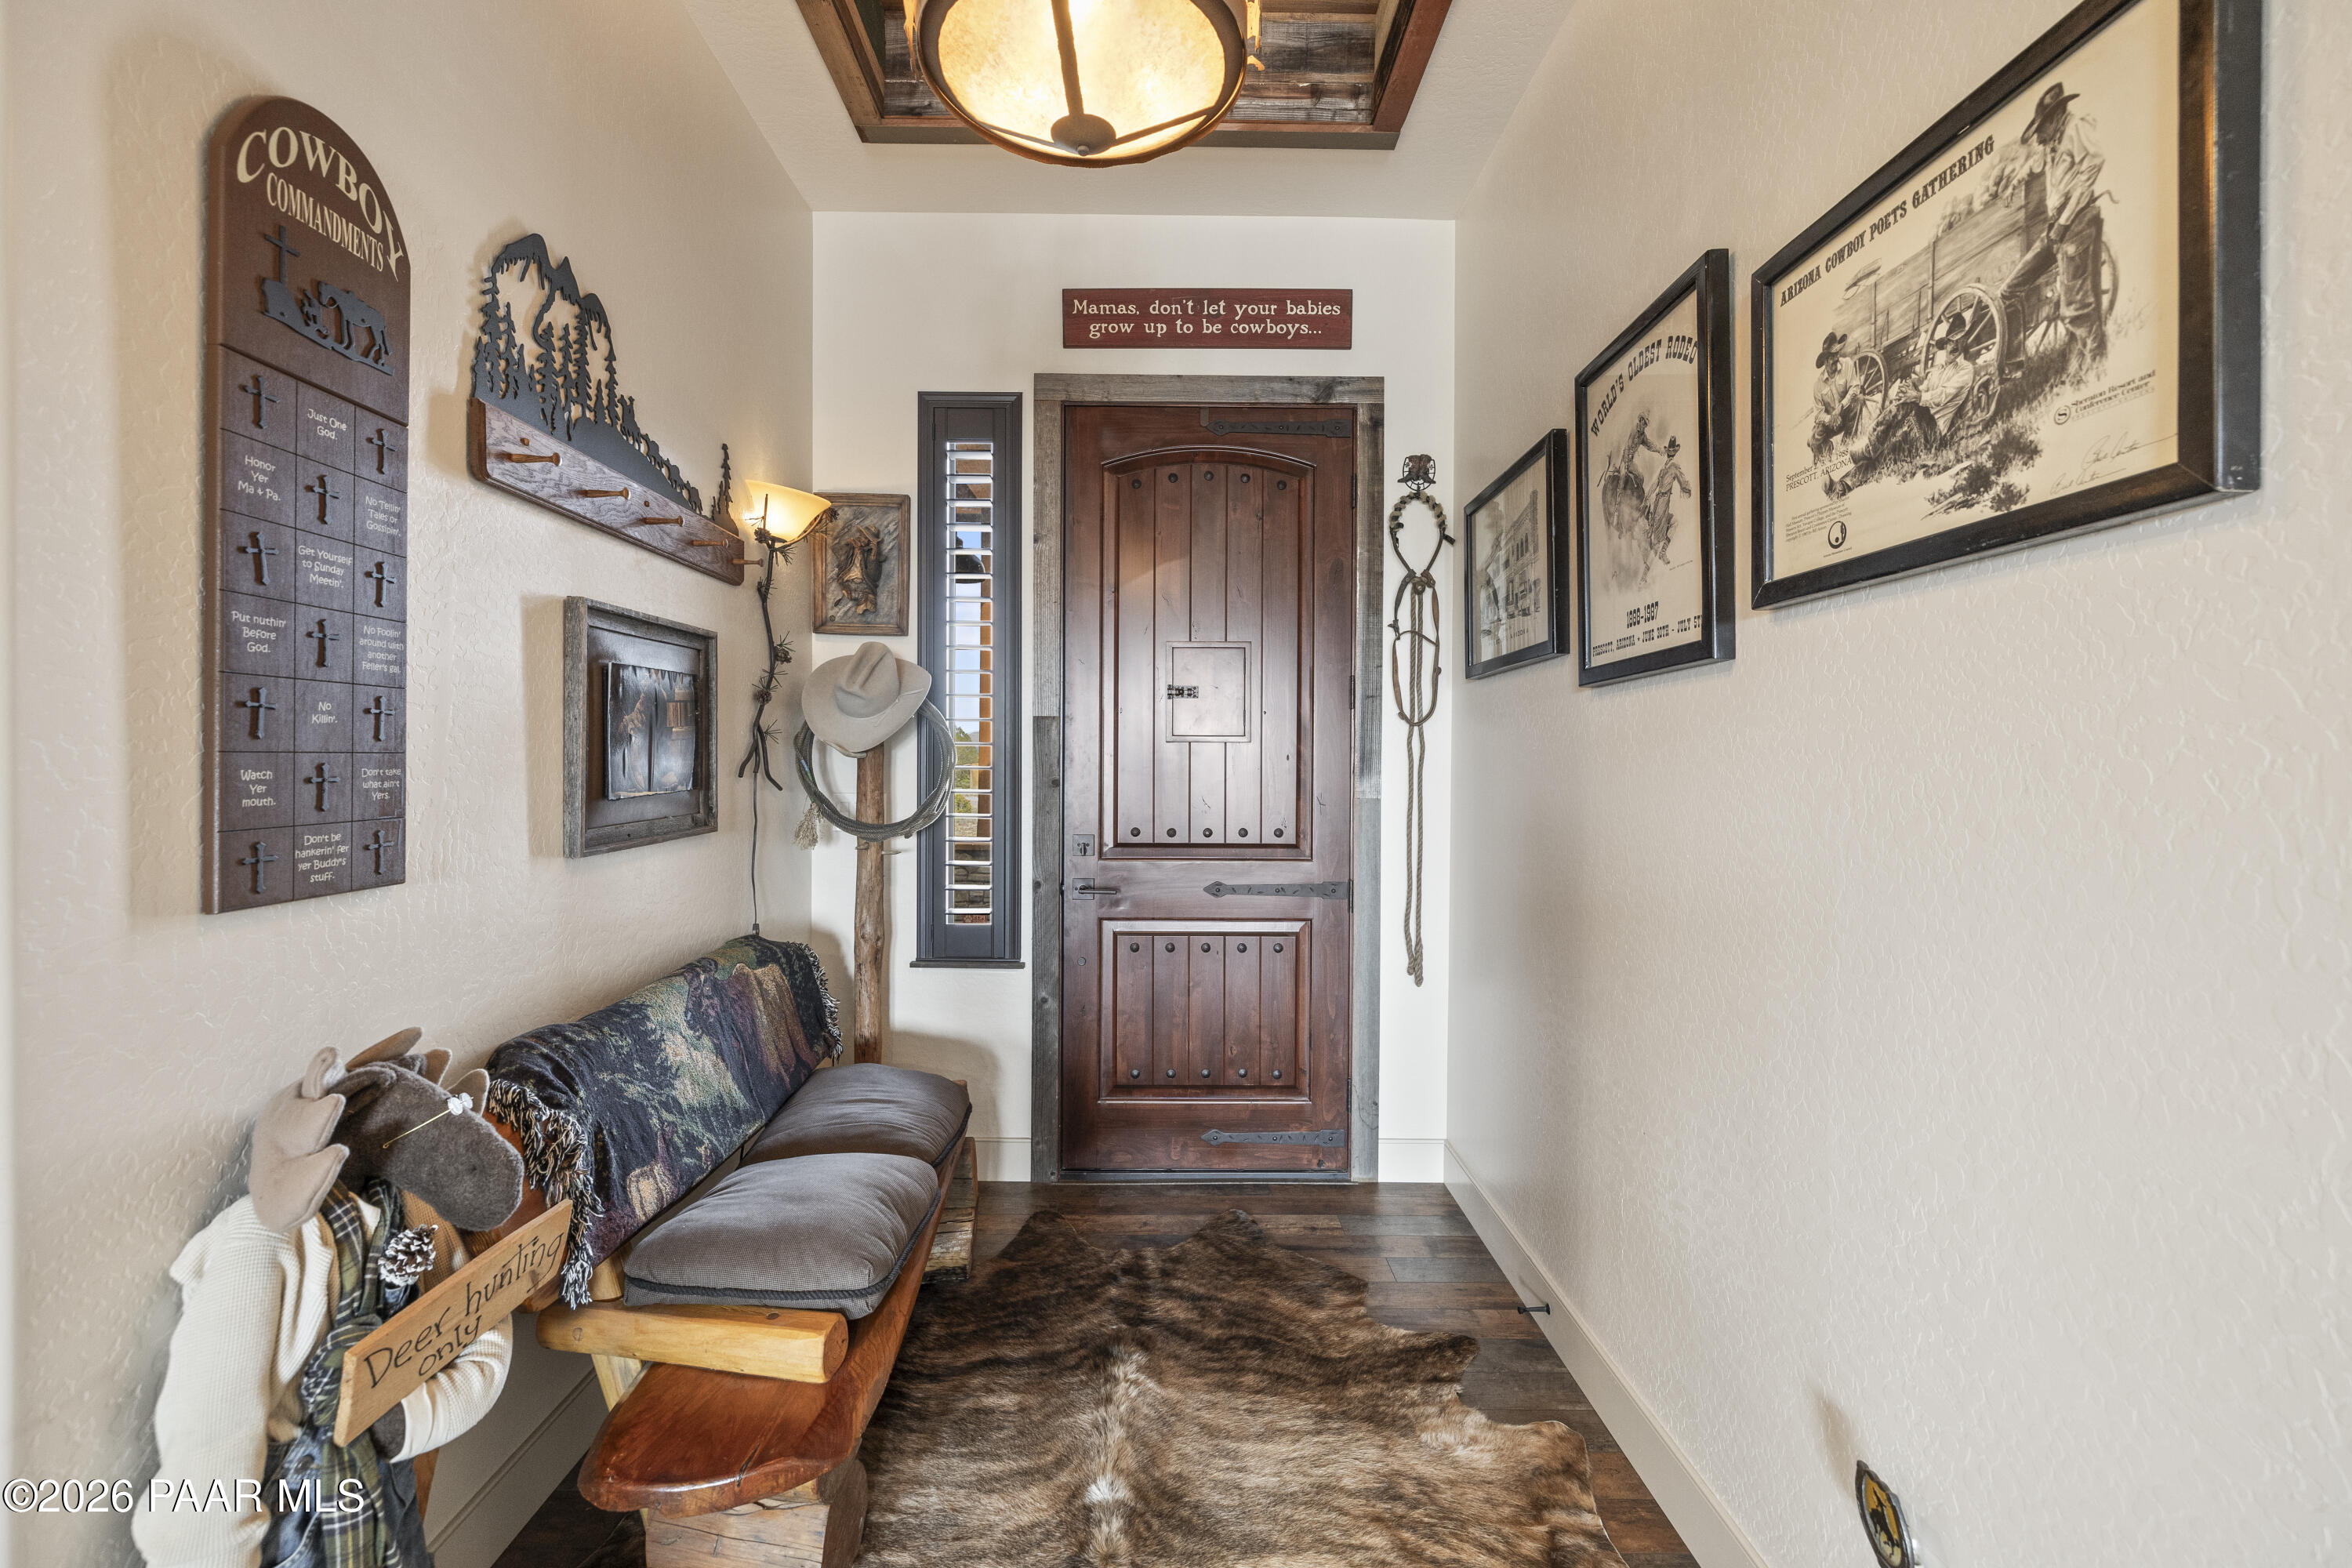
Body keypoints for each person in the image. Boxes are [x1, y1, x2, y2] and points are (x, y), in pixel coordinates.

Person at [1998, 82, 2107, 374]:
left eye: (2040, 131)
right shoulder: (2051, 144)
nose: (2039, 139)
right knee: (2009, 290)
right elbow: (2033, 165)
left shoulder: (2075, 130)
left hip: (2077, 221)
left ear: (2054, 118)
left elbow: (2093, 167)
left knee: (2076, 307)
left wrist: (2065, 221)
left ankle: (2097, 368)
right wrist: (2013, 184)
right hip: (2056, 226)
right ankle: (2014, 363)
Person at [1809, 333, 1863, 463]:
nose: (1836, 358)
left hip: (1845, 414)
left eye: (1837, 354)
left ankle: (1847, 446)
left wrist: (1841, 407)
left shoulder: (1847, 364)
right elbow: (1818, 415)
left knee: (1859, 400)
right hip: (1830, 423)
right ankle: (1827, 451)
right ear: (1825, 361)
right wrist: (1831, 418)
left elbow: (1855, 387)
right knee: (1814, 439)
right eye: (1832, 356)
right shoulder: (1818, 385)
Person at [1645, 435, 1690, 561]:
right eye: (1669, 453)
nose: (1670, 455)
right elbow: (1682, 481)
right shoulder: (1671, 466)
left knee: (1674, 522)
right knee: (1659, 533)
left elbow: (1656, 484)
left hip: (1661, 501)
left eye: (1671, 453)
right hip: (1662, 502)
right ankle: (1659, 554)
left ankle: (1662, 552)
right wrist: (1687, 487)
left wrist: (1648, 495)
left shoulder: (1668, 466)